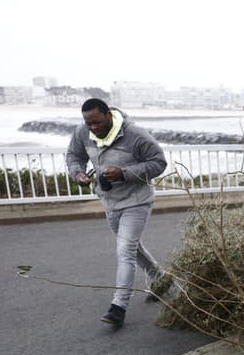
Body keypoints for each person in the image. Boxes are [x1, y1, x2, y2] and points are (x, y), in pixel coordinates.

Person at [66, 98, 168, 327]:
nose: (93, 128)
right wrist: (78, 174)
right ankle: (161, 278)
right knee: (133, 247)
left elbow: (159, 163)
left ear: (109, 115)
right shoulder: (82, 132)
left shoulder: (135, 134)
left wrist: (124, 173)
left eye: (97, 122)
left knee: (125, 250)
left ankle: (119, 306)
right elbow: (74, 156)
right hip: (110, 201)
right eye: (88, 123)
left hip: (137, 201)